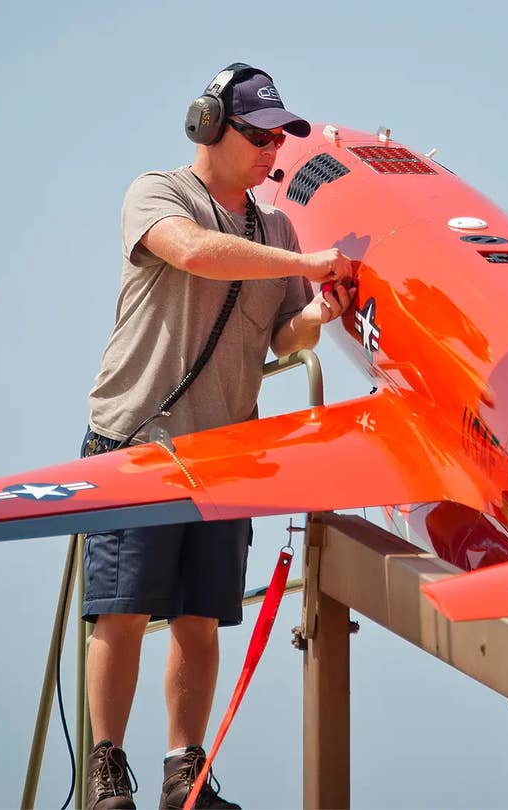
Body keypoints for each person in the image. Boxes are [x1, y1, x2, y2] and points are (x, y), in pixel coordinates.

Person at [80, 63, 355, 810]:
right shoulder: (158, 193)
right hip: (139, 439)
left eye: (280, 137)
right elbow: (197, 253)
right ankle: (104, 769)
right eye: (260, 135)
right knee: (123, 612)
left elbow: (283, 338)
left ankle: (183, 775)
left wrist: (321, 314)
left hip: (224, 449)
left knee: (202, 619)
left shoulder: (277, 229)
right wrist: (305, 264)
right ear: (209, 127)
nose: (274, 151)